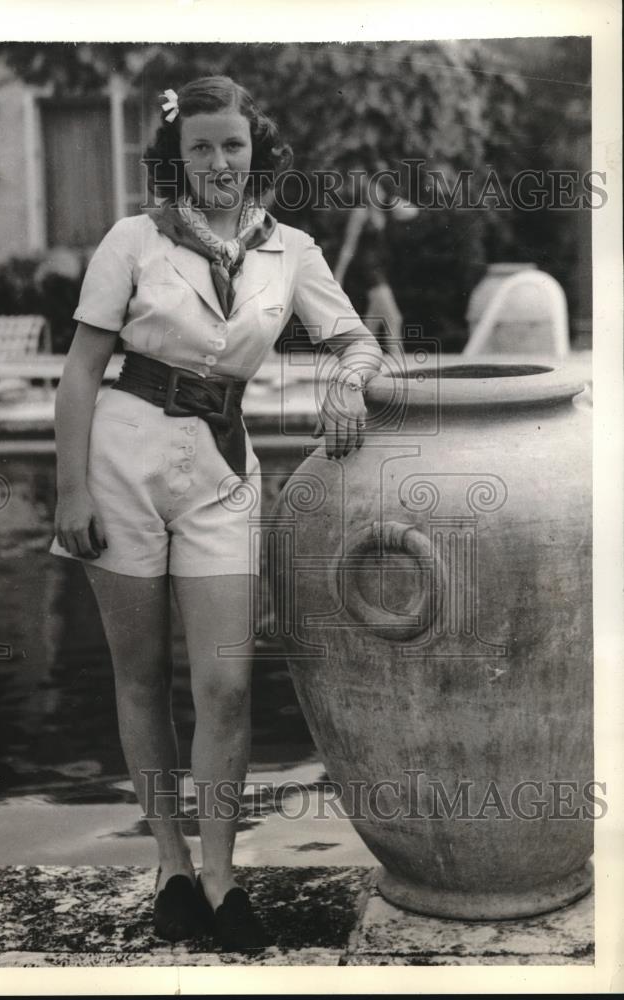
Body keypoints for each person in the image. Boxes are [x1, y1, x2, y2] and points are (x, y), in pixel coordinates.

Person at [49, 76, 383, 952]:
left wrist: (346, 383)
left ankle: (223, 877)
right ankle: (169, 867)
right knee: (142, 675)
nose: (219, 161)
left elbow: (354, 338)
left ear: (256, 150)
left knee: (228, 684)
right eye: (200, 146)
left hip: (223, 472)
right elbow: (82, 368)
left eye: (232, 144)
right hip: (121, 459)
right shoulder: (133, 240)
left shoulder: (293, 251)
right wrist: (71, 490)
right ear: (178, 158)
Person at [333, 165, 419, 352]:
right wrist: (338, 276)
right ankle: (398, 362)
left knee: (373, 322)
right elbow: (349, 245)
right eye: (371, 190)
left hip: (381, 268)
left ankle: (360, 355)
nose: (375, 194)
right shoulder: (361, 212)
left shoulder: (385, 212)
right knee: (394, 318)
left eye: (378, 190)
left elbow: (413, 211)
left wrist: (391, 200)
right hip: (368, 269)